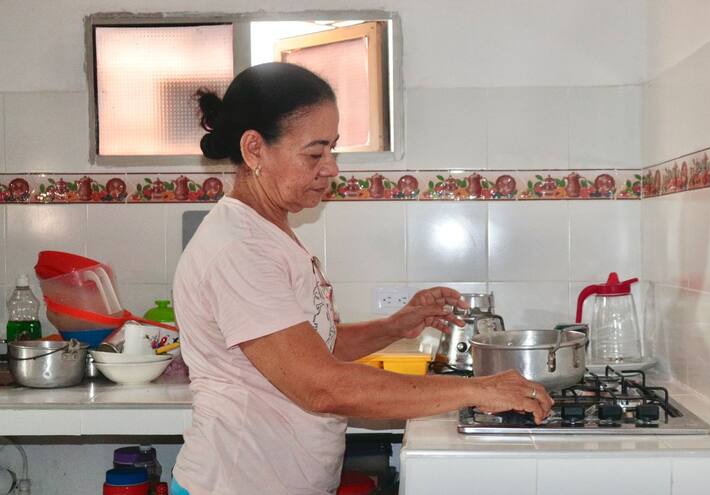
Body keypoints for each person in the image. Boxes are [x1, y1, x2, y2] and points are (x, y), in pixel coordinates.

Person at [170, 62, 553, 495]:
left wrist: (393, 328)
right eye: (314, 154)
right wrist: (476, 391)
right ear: (255, 149)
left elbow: (312, 349)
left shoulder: (270, 231)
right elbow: (320, 384)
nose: (332, 168)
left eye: (333, 150)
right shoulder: (238, 248)